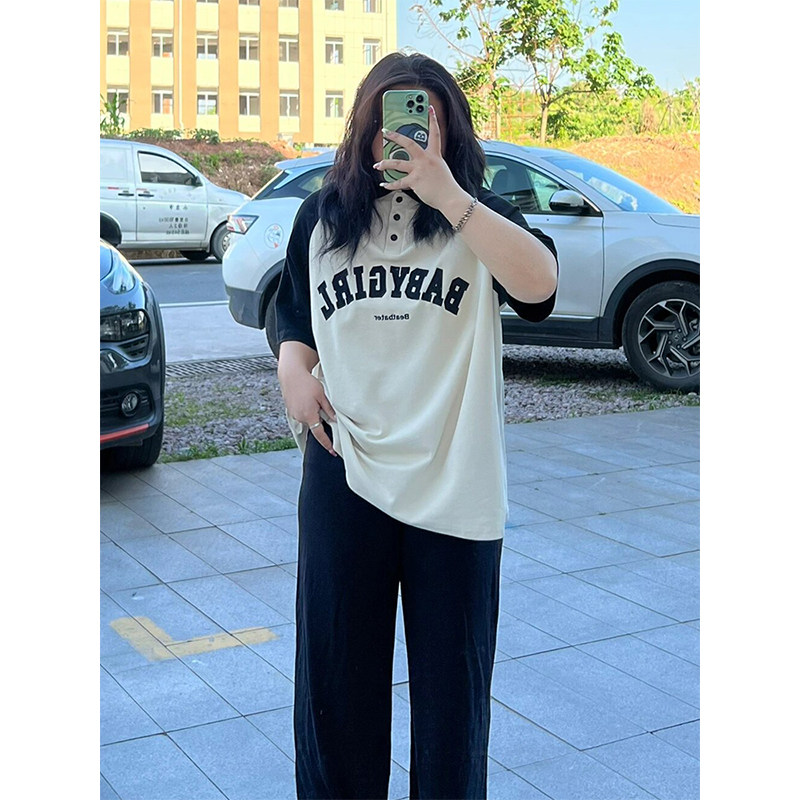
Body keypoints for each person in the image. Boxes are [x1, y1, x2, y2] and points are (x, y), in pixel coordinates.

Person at [275, 51, 558, 800]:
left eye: (425, 120)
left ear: (450, 129)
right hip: (343, 468)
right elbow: (294, 319)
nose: (403, 135)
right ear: (364, 128)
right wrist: (293, 373)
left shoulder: (478, 215)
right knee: (335, 688)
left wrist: (448, 194)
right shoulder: (322, 216)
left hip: (455, 480)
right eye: (389, 120)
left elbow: (539, 288)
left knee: (452, 703)